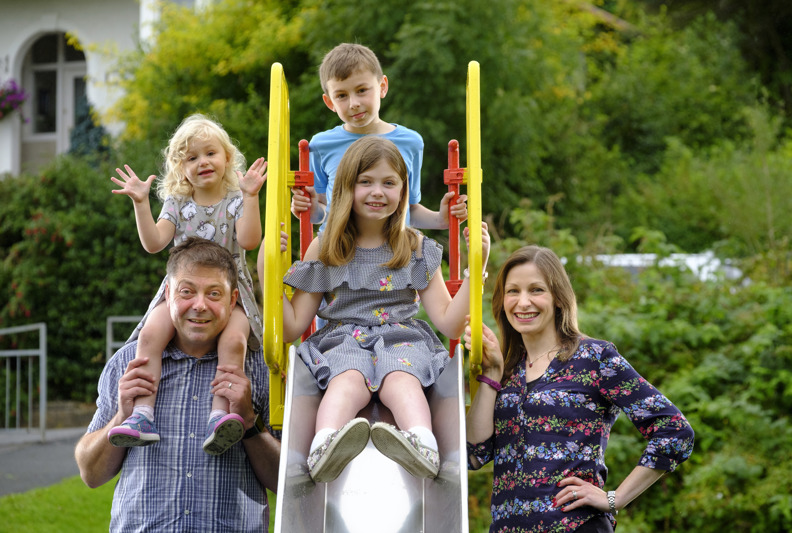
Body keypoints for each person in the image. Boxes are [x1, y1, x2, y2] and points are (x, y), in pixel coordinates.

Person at [258, 136, 489, 483]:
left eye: (389, 182)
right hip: (342, 340)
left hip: (401, 338)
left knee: (402, 379)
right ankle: (325, 445)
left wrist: (477, 267)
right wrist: (267, 267)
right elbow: (291, 327)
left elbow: (449, 322)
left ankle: (422, 444)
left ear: (403, 191)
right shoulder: (326, 248)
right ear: (346, 188)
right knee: (347, 379)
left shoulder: (413, 246)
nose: (377, 191)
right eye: (365, 181)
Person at [465, 245, 694, 532]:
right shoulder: (508, 369)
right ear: (501, 301)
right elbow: (474, 454)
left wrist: (615, 498)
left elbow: (674, 430)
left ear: (558, 298)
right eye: (513, 291)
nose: (523, 302)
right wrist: (491, 375)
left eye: (536, 290)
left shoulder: (594, 358)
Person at [75, 237, 281, 533]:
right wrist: (121, 417)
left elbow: (288, 484)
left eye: (214, 293)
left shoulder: (261, 368)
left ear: (233, 300)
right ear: (168, 294)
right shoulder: (128, 364)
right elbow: (90, 473)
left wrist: (249, 423)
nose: (199, 305)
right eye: (187, 291)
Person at [108, 114, 267, 455]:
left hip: (229, 293)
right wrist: (140, 204)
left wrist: (251, 196)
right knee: (150, 335)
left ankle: (220, 415)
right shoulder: (178, 204)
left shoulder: (237, 199)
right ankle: (141, 414)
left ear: (227, 158)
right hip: (181, 291)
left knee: (235, 339)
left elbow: (250, 240)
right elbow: (154, 243)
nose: (202, 162)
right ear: (180, 169)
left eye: (210, 153)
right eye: (191, 158)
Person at [290, 42, 467, 231]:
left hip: (394, 254)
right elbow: (323, 210)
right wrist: (309, 208)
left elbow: (409, 209)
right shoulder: (321, 144)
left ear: (382, 87)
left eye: (361, 90)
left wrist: (441, 219)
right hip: (339, 253)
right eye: (341, 95)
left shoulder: (410, 142)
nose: (354, 103)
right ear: (329, 102)